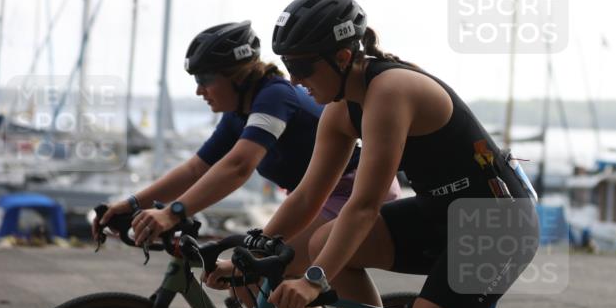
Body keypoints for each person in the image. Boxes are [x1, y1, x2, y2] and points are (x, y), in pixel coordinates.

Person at [207, 0, 539, 308]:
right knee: (319, 241)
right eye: (286, 66)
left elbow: (363, 206)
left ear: (343, 56)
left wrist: (316, 281)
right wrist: (252, 252)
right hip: (443, 214)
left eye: (302, 66)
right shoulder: (342, 111)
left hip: (496, 224)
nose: (295, 80)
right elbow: (306, 199)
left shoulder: (391, 91)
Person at [94, 20, 397, 264]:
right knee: (249, 284)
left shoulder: (276, 95)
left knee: (252, 277)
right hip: (315, 199)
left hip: (354, 192)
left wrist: (173, 212)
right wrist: (133, 203)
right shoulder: (239, 113)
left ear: (236, 75)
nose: (199, 91)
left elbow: (239, 166)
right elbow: (196, 169)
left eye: (204, 79)